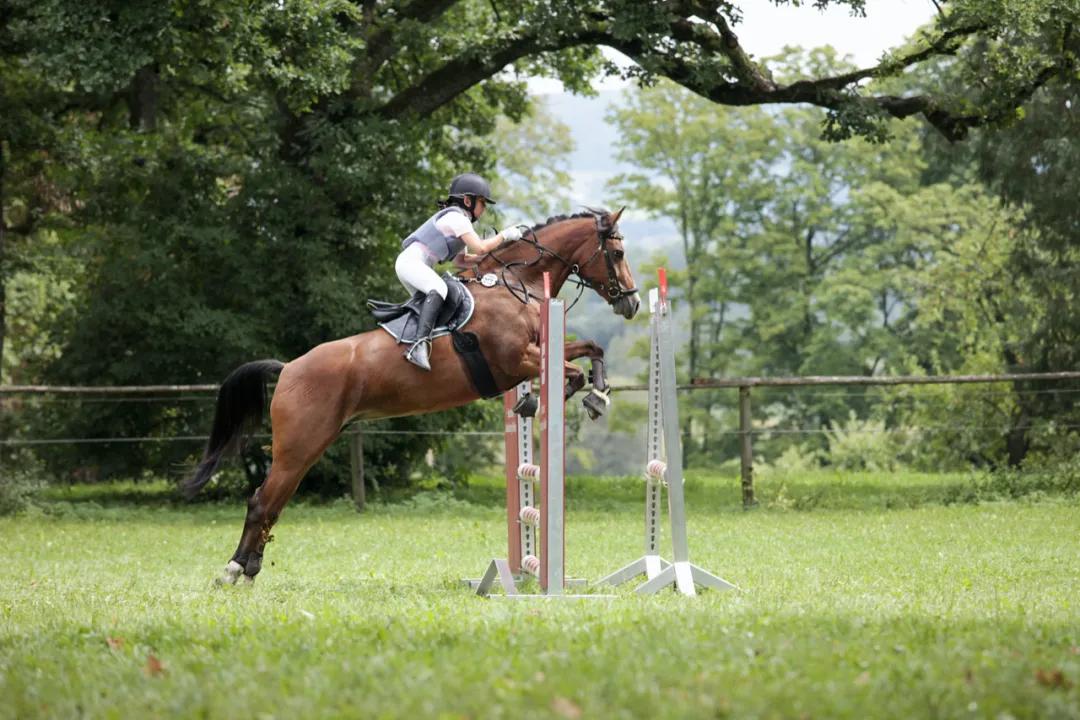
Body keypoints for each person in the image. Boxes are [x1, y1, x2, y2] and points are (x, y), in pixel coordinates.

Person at [396, 172, 525, 370]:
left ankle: (423, 344)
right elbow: (480, 248)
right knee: (439, 289)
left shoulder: (459, 221)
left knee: (435, 311)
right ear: (467, 200)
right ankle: (418, 347)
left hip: (414, 265)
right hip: (410, 263)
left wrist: (495, 260)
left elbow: (462, 261)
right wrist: (505, 236)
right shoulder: (457, 218)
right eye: (482, 203)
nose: (484, 209)